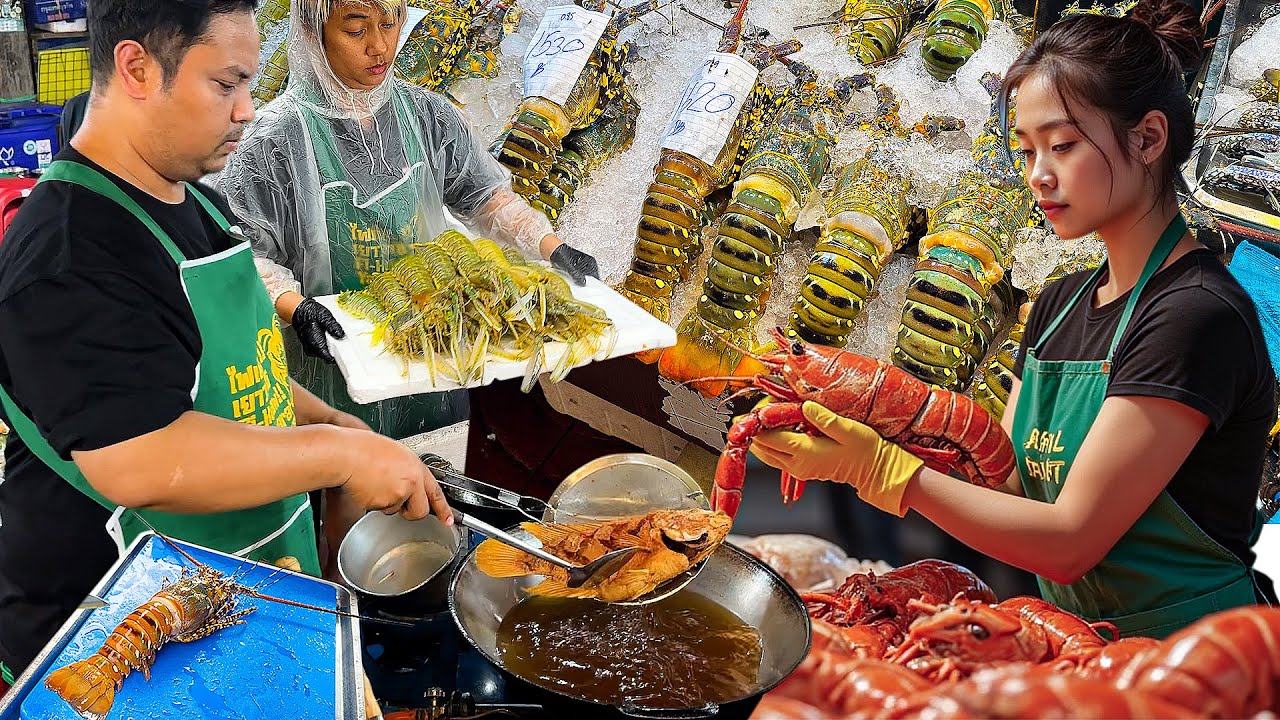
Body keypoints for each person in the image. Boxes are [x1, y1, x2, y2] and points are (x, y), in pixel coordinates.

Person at [750, 0, 1277, 638]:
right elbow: (1009, 498)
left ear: (1148, 138)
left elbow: (1069, 540)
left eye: (1062, 146)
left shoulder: (1195, 315)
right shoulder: (1057, 307)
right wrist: (870, 429)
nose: (1038, 177)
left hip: (1196, 659)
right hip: (1077, 642)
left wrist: (880, 472)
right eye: (1025, 150)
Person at [0, 0, 454, 684]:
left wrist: (328, 417)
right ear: (137, 69)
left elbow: (230, 356)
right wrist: (338, 454)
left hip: (219, 601)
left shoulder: (189, 197)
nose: (246, 110)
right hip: (108, 648)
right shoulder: (71, 253)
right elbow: (141, 459)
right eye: (226, 84)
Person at [215, 0, 602, 442]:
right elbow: (239, 254)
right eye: (356, 30)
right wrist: (294, 307)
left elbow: (485, 199)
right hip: (330, 370)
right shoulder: (271, 141)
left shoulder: (428, 115)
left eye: (390, 23)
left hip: (430, 352)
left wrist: (552, 247)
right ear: (312, 32)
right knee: (346, 494)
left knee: (434, 482)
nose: (380, 46)